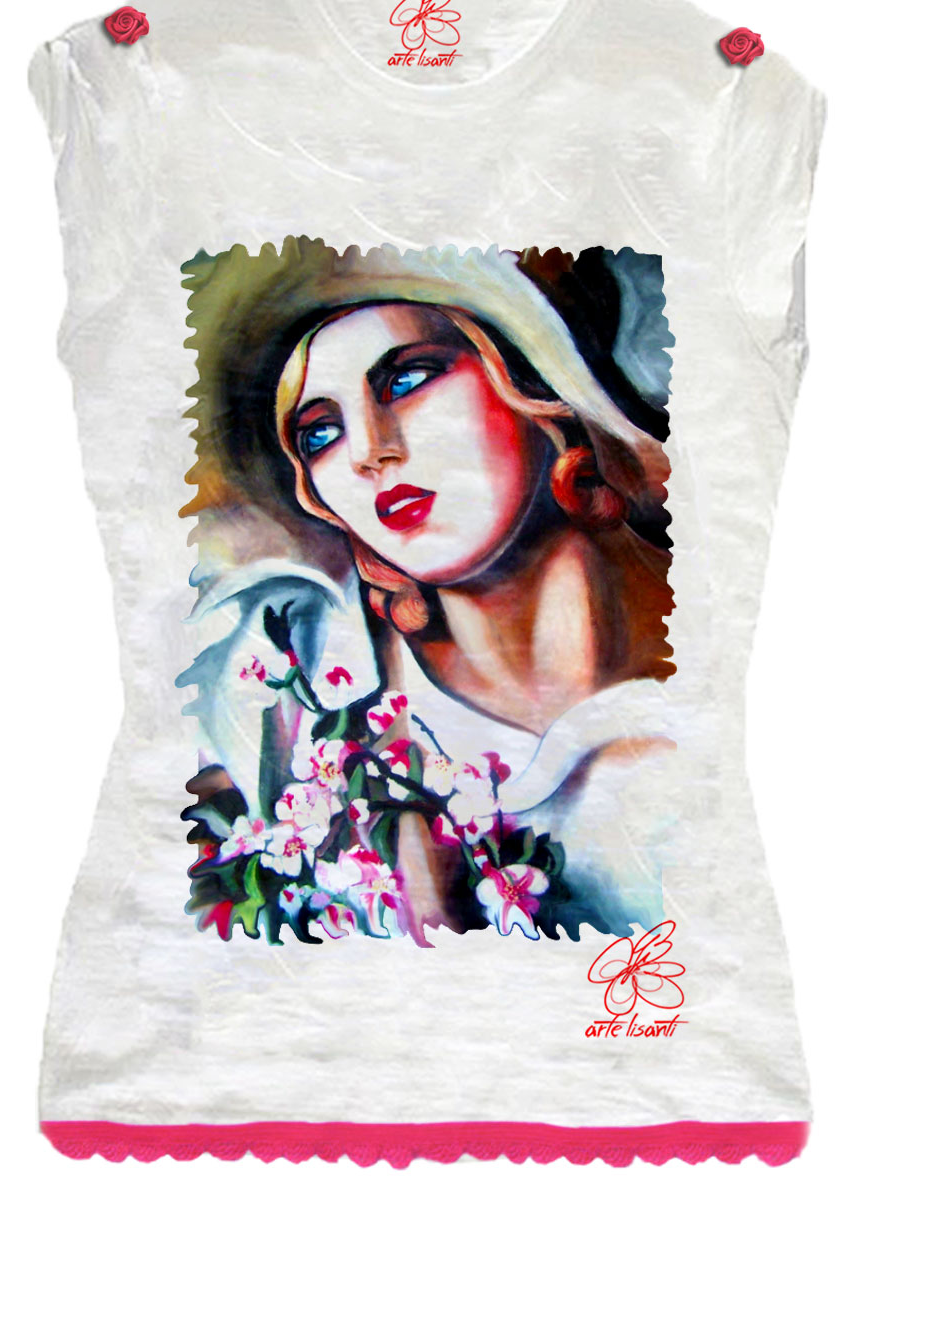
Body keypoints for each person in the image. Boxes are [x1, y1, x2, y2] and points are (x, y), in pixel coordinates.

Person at [175, 240, 700, 945]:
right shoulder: (287, 675)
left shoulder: (711, 645)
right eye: (320, 432)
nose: (369, 451)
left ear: (539, 389)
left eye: (407, 380)